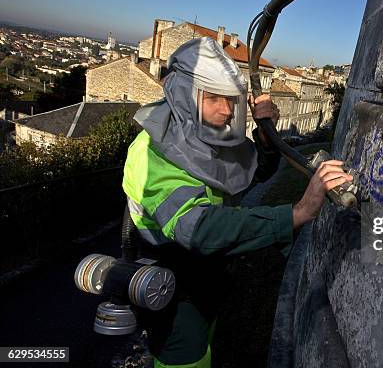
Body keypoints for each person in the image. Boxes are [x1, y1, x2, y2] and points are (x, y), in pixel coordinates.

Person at [121, 37, 352, 368]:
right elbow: (199, 229)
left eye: (231, 99)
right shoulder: (152, 151)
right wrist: (297, 213)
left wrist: (264, 136)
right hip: (174, 287)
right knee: (184, 359)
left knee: (206, 346)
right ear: (185, 96)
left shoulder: (202, 134)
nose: (227, 109)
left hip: (207, 276)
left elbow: (248, 173)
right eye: (213, 98)